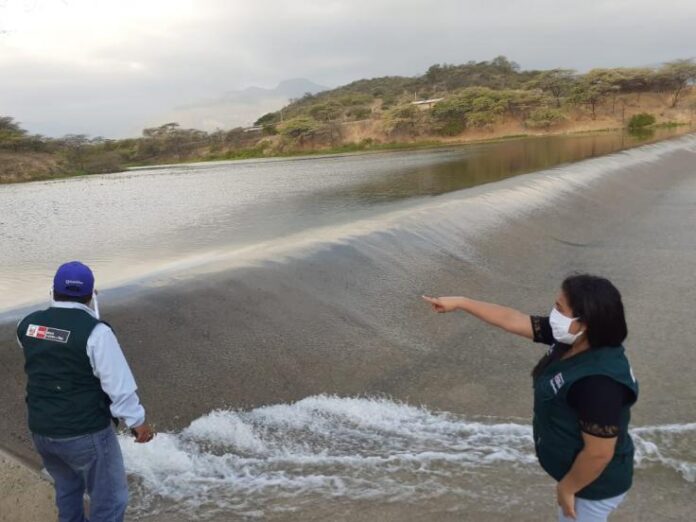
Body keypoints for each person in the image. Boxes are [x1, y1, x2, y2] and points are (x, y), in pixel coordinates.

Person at [423, 273, 638, 522]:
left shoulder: (600, 384)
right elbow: (512, 319)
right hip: (580, 475)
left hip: (593, 485)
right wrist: (461, 302)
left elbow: (599, 453)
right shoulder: (574, 339)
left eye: (560, 308)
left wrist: (567, 487)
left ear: (585, 322)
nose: (553, 313)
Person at [16, 261, 154, 522]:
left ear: (52, 292)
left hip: (43, 431)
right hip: (84, 433)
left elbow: (51, 346)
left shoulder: (27, 325)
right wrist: (138, 423)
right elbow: (119, 386)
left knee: (68, 491)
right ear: (90, 295)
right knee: (111, 500)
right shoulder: (97, 333)